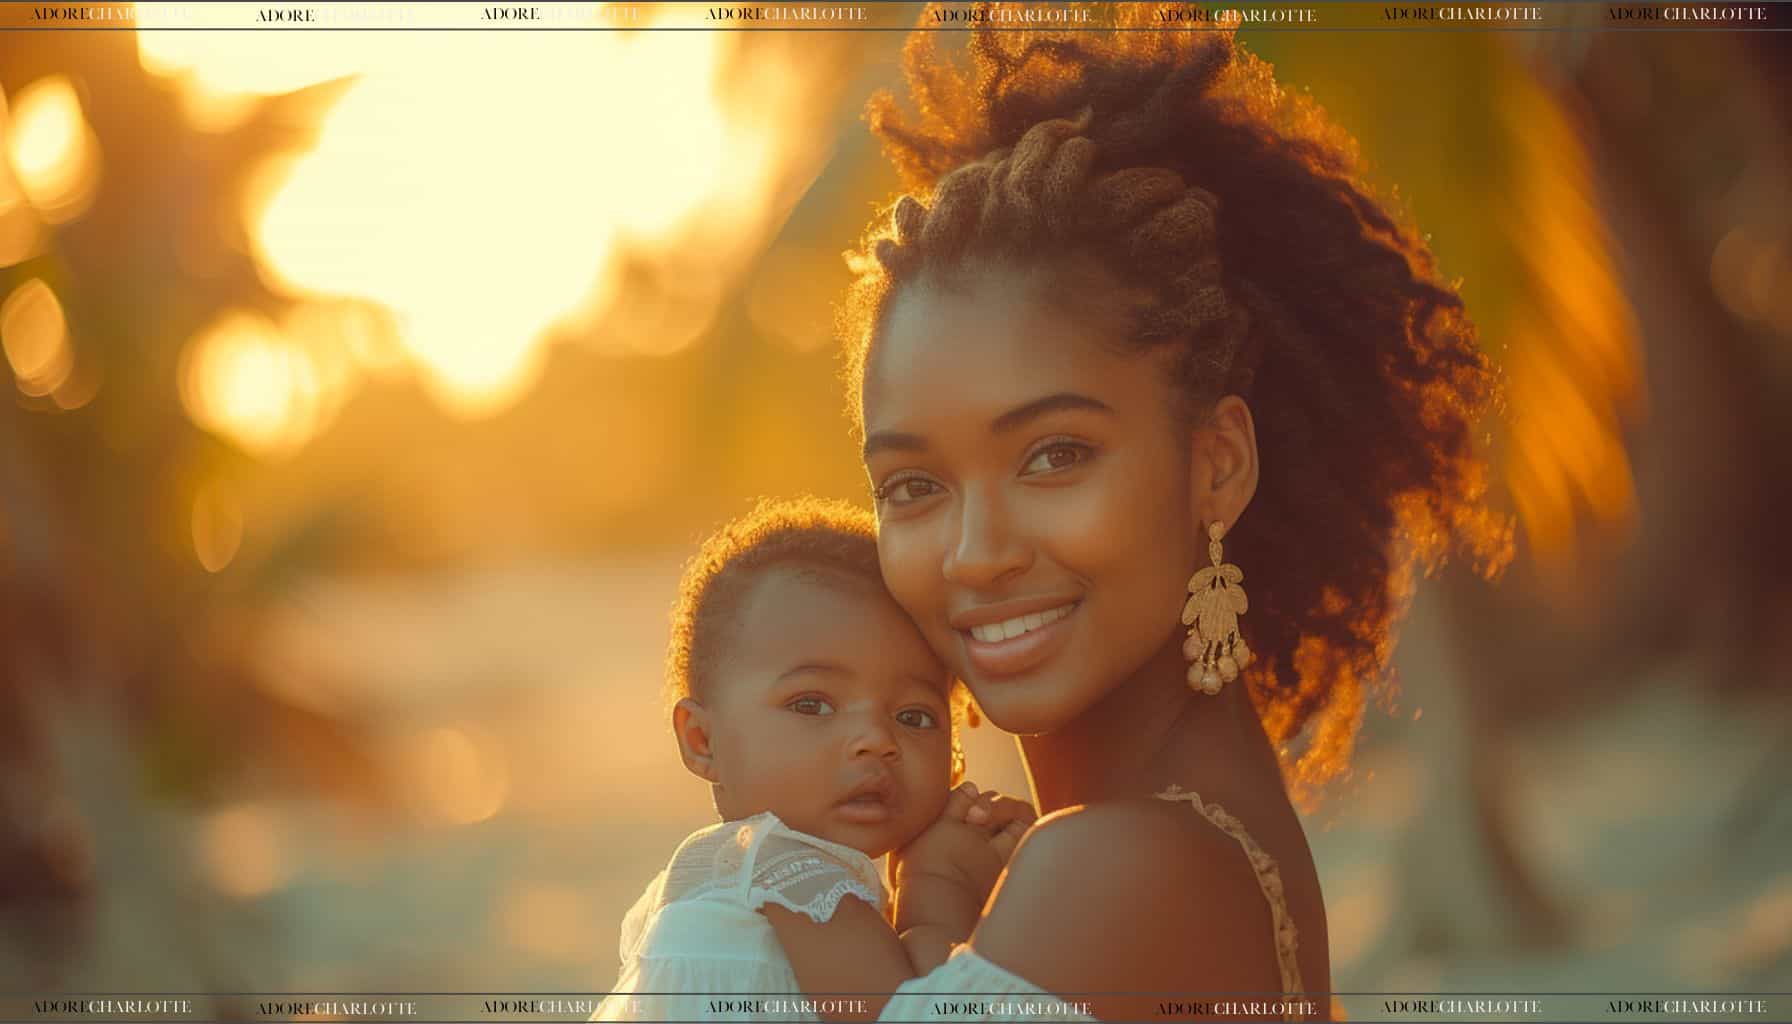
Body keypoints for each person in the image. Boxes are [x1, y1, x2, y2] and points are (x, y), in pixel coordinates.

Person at [842, 13, 1516, 1022]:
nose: (976, 555)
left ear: (1218, 463)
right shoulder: (1188, 832)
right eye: (913, 487)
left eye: (1054, 455)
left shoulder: (1115, 867)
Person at [593, 498, 1034, 1023]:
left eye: (914, 717)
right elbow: (912, 1015)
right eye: (812, 705)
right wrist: (940, 883)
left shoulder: (736, 882)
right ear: (702, 740)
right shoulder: (782, 869)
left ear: (954, 755)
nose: (876, 739)